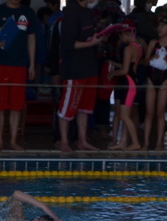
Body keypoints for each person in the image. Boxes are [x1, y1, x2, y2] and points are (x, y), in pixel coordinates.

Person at [0, 0, 38, 150]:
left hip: (20, 65)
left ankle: (14, 140)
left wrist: (32, 64)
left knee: (16, 106)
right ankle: (0, 141)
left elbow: (31, 38)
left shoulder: (28, 13)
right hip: (0, 63)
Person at [56, 0, 104, 152]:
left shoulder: (88, 13)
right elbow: (69, 44)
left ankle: (82, 140)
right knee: (68, 106)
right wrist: (91, 43)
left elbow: (87, 37)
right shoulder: (71, 14)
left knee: (85, 108)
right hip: (74, 69)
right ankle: (64, 140)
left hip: (89, 67)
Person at [142, 16, 167, 150]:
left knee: (160, 113)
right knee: (149, 113)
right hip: (151, 79)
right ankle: (146, 143)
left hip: (164, 79)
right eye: (159, 26)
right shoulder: (153, 43)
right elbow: (142, 62)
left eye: (163, 26)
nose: (160, 28)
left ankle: (159, 143)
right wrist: (150, 58)